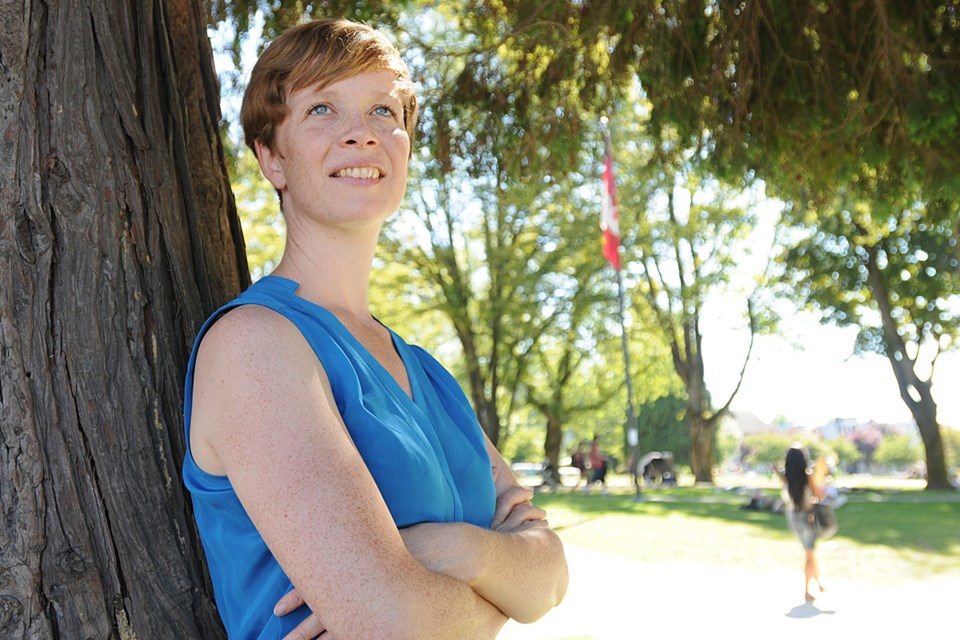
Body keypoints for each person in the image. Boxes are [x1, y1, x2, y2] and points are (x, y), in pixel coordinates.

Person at [181, 18, 568, 639]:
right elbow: (393, 625)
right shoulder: (254, 344)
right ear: (272, 158)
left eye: (382, 110)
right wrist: (494, 596)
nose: (361, 134)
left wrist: (447, 551)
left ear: (406, 147)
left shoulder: (428, 373)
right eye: (323, 110)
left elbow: (549, 576)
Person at [781, 445, 829, 602]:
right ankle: (807, 591)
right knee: (809, 554)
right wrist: (823, 480)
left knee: (809, 553)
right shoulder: (807, 475)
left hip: (793, 518)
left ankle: (819, 583)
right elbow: (820, 495)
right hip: (807, 518)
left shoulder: (785, 476)